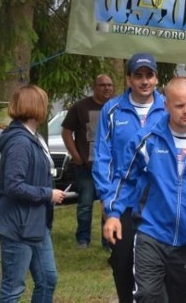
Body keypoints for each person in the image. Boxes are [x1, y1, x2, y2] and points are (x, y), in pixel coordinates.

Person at [103, 77, 186, 303]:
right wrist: (114, 213)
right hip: (152, 232)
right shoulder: (147, 140)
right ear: (166, 105)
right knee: (148, 294)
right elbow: (125, 178)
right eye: (179, 106)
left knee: (181, 297)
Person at [93, 53, 166, 303]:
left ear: (156, 78)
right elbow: (103, 156)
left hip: (158, 202)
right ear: (128, 79)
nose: (144, 81)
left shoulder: (168, 108)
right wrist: (107, 198)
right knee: (122, 263)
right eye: (138, 76)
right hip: (121, 200)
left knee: (157, 268)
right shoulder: (112, 110)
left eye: (149, 75)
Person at [0, 85, 66, 302]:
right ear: (36, 107)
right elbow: (13, 185)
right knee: (13, 288)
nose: (48, 107)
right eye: (45, 102)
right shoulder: (20, 142)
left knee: (48, 279)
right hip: (17, 226)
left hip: (36, 223)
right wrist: (47, 194)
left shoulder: (31, 136)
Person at [62, 74, 114, 249]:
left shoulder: (116, 107)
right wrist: (76, 156)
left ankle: (108, 241)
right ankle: (83, 239)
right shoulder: (80, 107)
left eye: (109, 85)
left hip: (109, 168)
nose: (106, 88)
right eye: (102, 85)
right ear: (94, 86)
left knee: (108, 206)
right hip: (87, 168)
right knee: (85, 205)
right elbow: (66, 132)